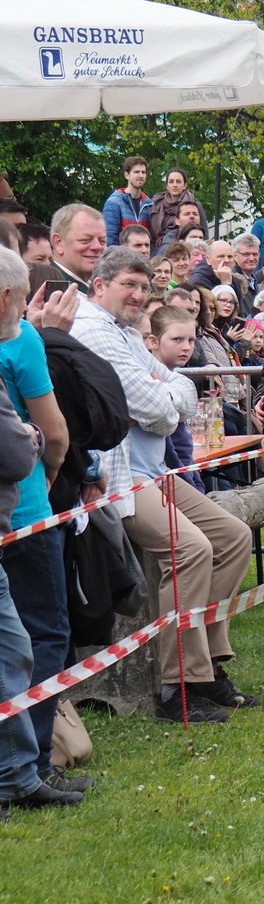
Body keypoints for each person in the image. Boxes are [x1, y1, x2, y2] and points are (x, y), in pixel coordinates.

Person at [72, 248, 257, 723]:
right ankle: (178, 688)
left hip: (154, 472)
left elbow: (177, 393)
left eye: (142, 287)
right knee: (191, 550)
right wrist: (167, 396)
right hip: (119, 478)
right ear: (100, 285)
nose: (137, 295)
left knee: (234, 537)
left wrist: (166, 395)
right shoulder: (92, 330)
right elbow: (157, 405)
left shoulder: (125, 332)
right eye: (127, 286)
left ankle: (210, 663)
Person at [0, 247, 82, 795]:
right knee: (43, 634)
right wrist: (49, 474)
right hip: (25, 507)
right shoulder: (22, 339)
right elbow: (53, 433)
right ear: (11, 295)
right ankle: (32, 768)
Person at [103, 156, 152, 246]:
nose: (141, 175)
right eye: (136, 172)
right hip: (122, 257)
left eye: (143, 172)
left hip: (143, 256)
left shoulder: (149, 204)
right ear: (127, 175)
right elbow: (110, 238)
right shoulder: (114, 202)